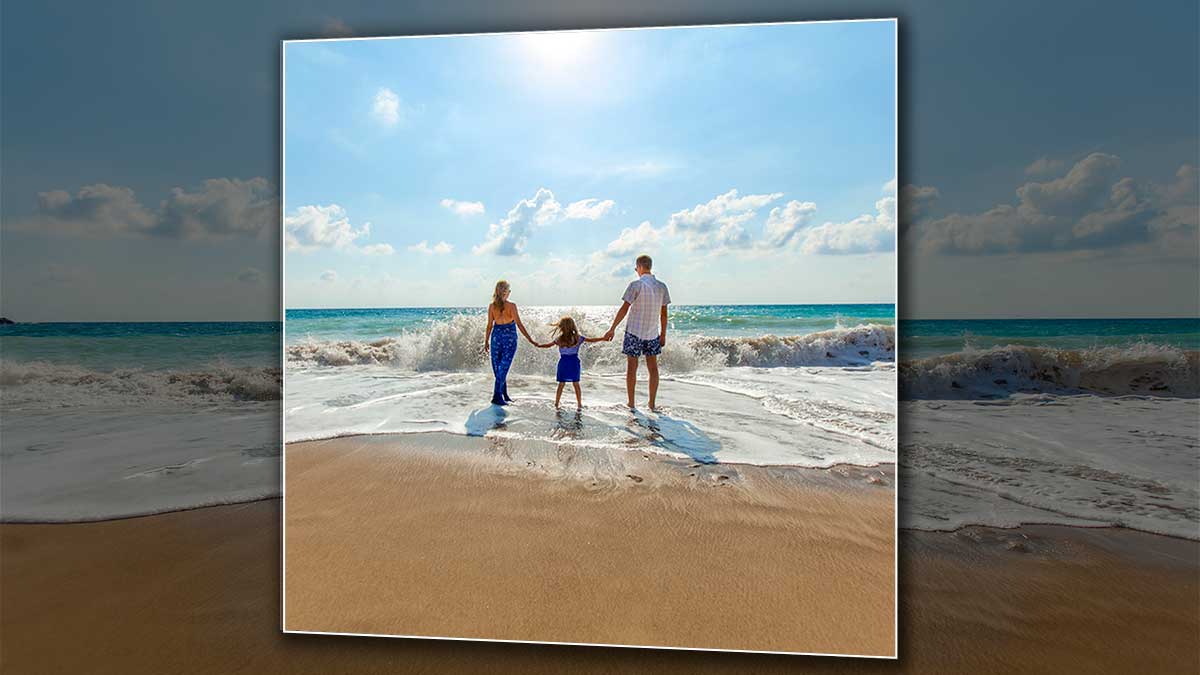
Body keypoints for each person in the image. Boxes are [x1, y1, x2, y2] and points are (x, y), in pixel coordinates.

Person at [603, 254, 670, 410]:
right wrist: (664, 334)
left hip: (634, 331)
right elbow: (664, 314)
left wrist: (612, 328)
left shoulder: (635, 285)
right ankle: (651, 404)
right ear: (650, 267)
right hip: (652, 333)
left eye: (636, 268)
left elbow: (624, 308)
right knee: (653, 369)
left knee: (632, 368)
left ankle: (631, 403)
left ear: (639, 267)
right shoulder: (662, 286)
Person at [535, 316, 608, 409]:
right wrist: (603, 338)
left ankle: (556, 403)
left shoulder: (559, 339)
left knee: (561, 384)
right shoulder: (578, 338)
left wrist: (538, 345)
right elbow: (592, 340)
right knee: (576, 384)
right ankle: (579, 404)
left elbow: (548, 346)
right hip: (574, 363)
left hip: (564, 363)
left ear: (561, 327)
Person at [483, 280, 535, 406]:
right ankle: (497, 396)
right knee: (502, 368)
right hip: (509, 338)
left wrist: (486, 341)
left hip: (496, 337)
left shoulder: (492, 306)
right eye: (509, 290)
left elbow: (490, 326)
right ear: (506, 292)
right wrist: (530, 339)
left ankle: (504, 394)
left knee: (499, 368)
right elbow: (519, 324)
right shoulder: (511, 306)